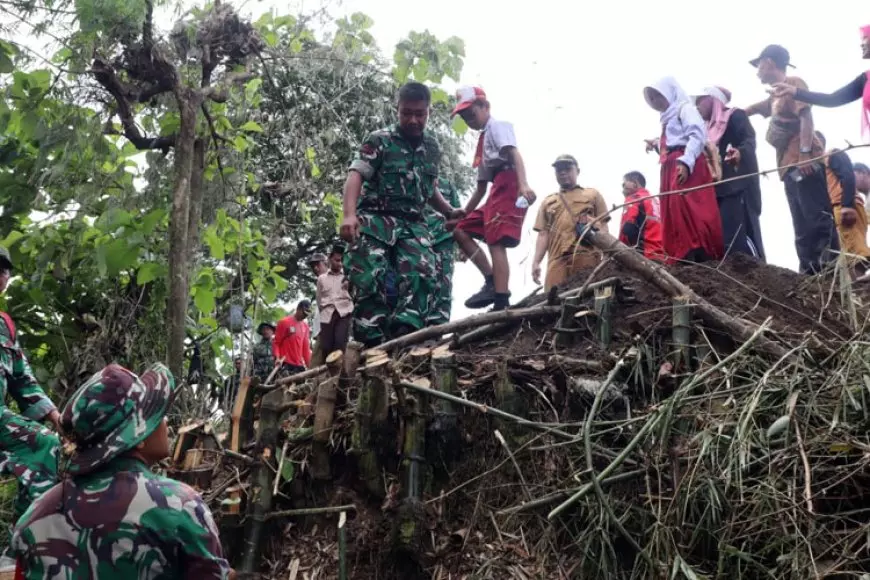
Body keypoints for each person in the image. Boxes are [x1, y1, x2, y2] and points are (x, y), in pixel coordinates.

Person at [11, 363, 235, 578]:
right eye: (156, 415)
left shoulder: (33, 517)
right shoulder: (179, 506)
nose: (165, 421)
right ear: (138, 438)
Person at [341, 82, 463, 347]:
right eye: (406, 113)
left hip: (413, 223)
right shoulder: (379, 139)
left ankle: (405, 338)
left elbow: (428, 188)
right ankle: (370, 343)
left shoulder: (432, 147)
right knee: (368, 277)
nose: (413, 120)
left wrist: (449, 211)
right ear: (397, 109)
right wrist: (349, 215)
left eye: (420, 114)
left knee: (423, 274)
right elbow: (356, 174)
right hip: (376, 219)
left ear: (429, 112)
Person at [743, 44, 838, 274]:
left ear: (770, 62)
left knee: (816, 218)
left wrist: (805, 153)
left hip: (803, 163)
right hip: (788, 168)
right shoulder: (775, 94)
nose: (757, 71)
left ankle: (831, 273)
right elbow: (755, 108)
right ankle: (809, 274)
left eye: (759, 64)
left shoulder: (794, 83)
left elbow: (806, 116)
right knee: (801, 225)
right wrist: (730, 115)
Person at [0, 246, 61, 570]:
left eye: (5, 269)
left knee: (49, 445)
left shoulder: (5, 326)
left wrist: (54, 415)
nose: (1, 275)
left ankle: (23, 547)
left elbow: (22, 379)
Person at [451, 86, 536, 311]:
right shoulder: (482, 141)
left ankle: (501, 298)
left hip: (509, 183)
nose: (469, 119)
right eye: (464, 116)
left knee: (495, 240)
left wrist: (523, 184)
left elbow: (514, 153)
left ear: (485, 107)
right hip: (495, 189)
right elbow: (480, 188)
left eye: (472, 113)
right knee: (461, 229)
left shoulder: (497, 127)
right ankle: (491, 280)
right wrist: (464, 212)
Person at [643, 77, 724, 263]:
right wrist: (657, 145)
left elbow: (696, 136)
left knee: (689, 207)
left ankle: (698, 253)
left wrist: (686, 162)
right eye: (652, 98)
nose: (656, 101)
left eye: (658, 95)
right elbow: (673, 140)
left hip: (687, 163)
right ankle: (679, 254)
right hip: (670, 164)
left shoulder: (685, 109)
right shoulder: (667, 118)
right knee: (672, 209)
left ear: (670, 93)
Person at [695, 86, 766, 261]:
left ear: (713, 99)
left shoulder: (735, 116)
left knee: (738, 230)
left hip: (737, 185)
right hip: (716, 188)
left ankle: (752, 268)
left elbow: (749, 140)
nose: (697, 106)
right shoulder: (704, 131)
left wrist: (740, 152)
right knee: (722, 232)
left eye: (700, 101)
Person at [770, 26, 870, 138]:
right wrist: (795, 92)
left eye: (865, 38)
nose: (861, 44)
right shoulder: (865, 78)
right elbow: (832, 99)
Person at [531, 155, 609, 291]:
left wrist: (607, 253)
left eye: (567, 168)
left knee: (587, 296)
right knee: (552, 299)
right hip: (557, 259)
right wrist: (536, 262)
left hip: (586, 255)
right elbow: (543, 234)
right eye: (559, 170)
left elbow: (603, 225)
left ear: (577, 171)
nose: (563, 172)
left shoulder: (592, 194)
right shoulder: (548, 201)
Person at [815, 132, 870, 278]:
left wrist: (847, 205)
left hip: (844, 206)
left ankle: (855, 288)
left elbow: (848, 175)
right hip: (843, 207)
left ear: (820, 142)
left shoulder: (831, 155)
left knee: (853, 252)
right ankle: (855, 286)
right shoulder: (819, 166)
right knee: (850, 248)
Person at [426, 177, 462, 326]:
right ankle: (411, 330)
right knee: (416, 283)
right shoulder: (415, 179)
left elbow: (458, 215)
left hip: (443, 241)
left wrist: (462, 247)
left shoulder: (448, 185)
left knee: (443, 288)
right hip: (416, 239)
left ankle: (438, 329)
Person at [619, 171, 665, 261]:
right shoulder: (657, 201)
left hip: (642, 254)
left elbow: (628, 229)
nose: (623, 186)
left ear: (635, 183)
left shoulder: (634, 198)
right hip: (661, 254)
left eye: (625, 182)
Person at [317, 245, 353, 356]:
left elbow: (353, 295)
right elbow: (319, 299)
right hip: (327, 314)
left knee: (340, 343)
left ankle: (339, 370)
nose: (340, 263)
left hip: (343, 313)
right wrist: (323, 311)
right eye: (337, 260)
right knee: (326, 347)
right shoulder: (322, 279)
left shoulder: (347, 277)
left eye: (342, 260)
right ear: (329, 259)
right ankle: (326, 372)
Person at [273, 300, 312, 375]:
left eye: (307, 315)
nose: (305, 316)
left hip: (299, 365)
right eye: (303, 313)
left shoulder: (305, 326)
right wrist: (277, 358)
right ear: (298, 309)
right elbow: (276, 343)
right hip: (285, 363)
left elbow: (305, 349)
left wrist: (310, 367)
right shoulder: (284, 322)